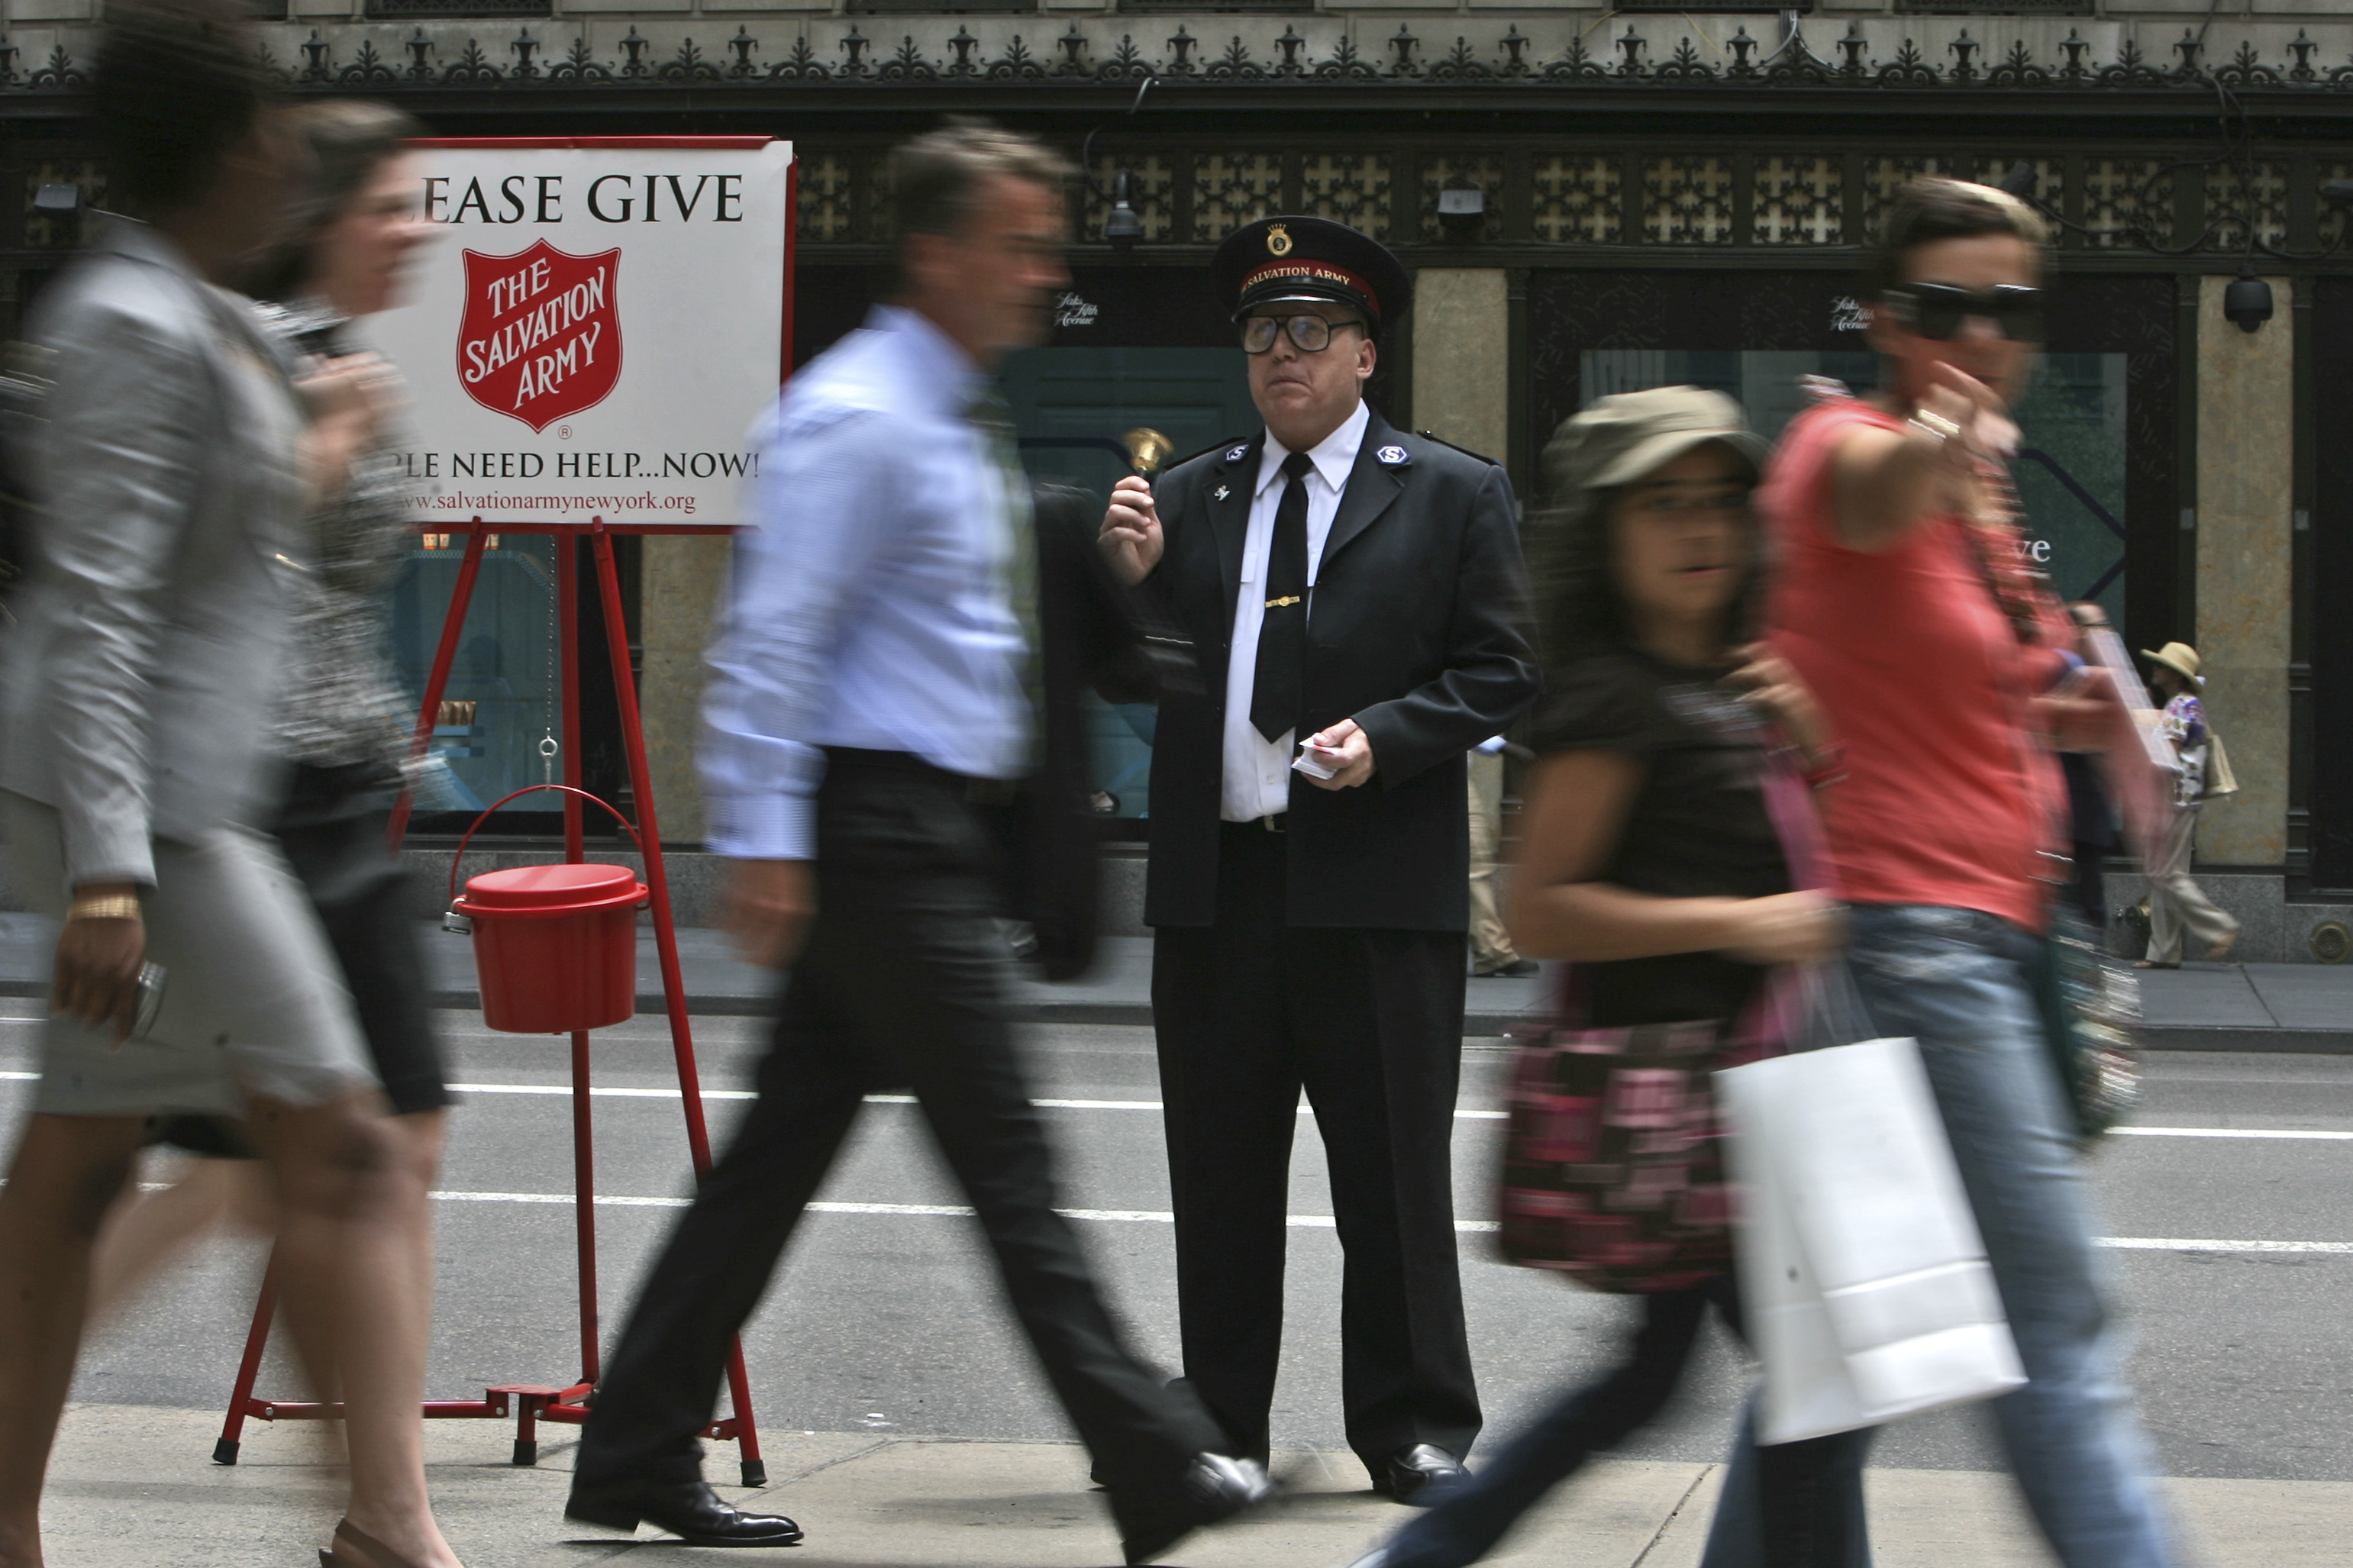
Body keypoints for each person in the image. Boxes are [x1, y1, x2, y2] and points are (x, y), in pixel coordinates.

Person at [563, 121, 1270, 1566]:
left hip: (914, 829)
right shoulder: (860, 416)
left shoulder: (946, 416)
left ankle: (635, 1446)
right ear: (939, 252)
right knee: (1009, 1166)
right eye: (1019, 244)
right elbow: (771, 643)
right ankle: (1153, 1461)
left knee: (769, 1165)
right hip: (874, 834)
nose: (1044, 272)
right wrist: (757, 840)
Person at [0, 7, 466, 1568]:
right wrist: (112, 874)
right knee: (337, 1146)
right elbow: (100, 611)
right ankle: (388, 1540)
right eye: (271, 124)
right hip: (158, 821)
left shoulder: (188, 311)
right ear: (227, 146)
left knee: (74, 1177)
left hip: (174, 804)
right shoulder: (134, 323)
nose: (287, 148)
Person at [1719, 176, 2177, 1568]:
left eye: (2008, 307)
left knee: (1843, 1362)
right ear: (1884, 318)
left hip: (1954, 933)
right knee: (2053, 1325)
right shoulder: (1840, 443)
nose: (1979, 332)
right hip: (1907, 939)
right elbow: (1867, 499)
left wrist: (2085, 709)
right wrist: (1938, 422)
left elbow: (1967, 687)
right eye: (1943, 307)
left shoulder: (1978, 493)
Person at [1341, 387, 1865, 1568]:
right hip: (1682, 1103)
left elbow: (1789, 862)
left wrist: (1811, 751)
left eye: (1720, 504)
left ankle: (1422, 1555)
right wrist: (1751, 922)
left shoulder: (1728, 682)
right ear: (1604, 535)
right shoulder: (1613, 698)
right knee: (1808, 1379)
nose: (1698, 531)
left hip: (1748, 1096)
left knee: (1684, 1379)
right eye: (1661, 507)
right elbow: (1541, 907)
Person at [1099, 215, 1541, 1499]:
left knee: (1391, 1176)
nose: (1278, 354)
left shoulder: (1450, 490)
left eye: (1306, 332)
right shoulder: (1191, 495)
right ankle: (1221, 1421)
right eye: (1257, 333)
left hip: (1375, 887)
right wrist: (1127, 586)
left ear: (1363, 352)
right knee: (1220, 1174)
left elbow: (1505, 668)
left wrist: (1392, 735)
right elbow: (1150, 683)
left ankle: (1412, 1424)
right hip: (1220, 884)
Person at [2137, 640, 2239, 969]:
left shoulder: (2180, 707)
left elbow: (2170, 753)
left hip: (2174, 798)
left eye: (2162, 666)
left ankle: (2219, 927)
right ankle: (2164, 952)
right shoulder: (2187, 705)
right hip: (2184, 798)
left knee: (2162, 871)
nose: (2156, 669)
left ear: (2176, 676)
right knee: (2166, 874)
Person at [1467, 738, 1535, 978]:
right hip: (1433, 772)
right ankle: (1493, 953)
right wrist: (1503, 747)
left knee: (1473, 863)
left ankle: (1492, 951)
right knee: (1472, 864)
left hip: (1448, 773)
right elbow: (1450, 713)